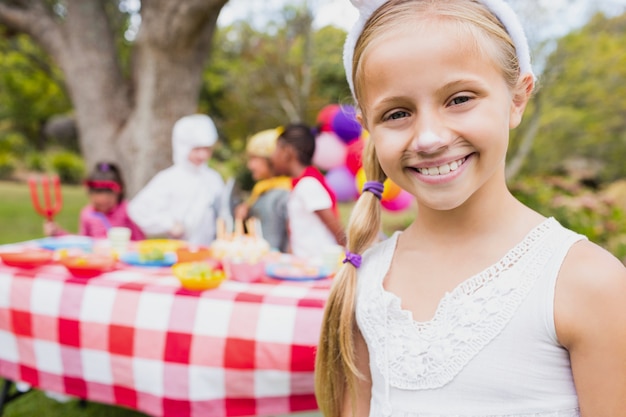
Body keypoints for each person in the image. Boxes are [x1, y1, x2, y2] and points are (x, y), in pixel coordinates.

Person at [314, 1, 626, 417]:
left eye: (459, 99)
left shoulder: (586, 283)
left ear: (517, 98)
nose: (428, 137)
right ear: (367, 126)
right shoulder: (366, 279)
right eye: (398, 113)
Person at [128, 114, 225, 246]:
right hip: (179, 252)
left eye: (206, 149)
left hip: (210, 251)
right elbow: (138, 209)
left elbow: (223, 212)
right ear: (183, 148)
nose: (202, 155)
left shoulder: (213, 178)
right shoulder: (169, 179)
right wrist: (169, 225)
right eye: (196, 149)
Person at [271, 123, 346, 258]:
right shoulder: (301, 185)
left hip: (319, 268)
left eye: (276, 149)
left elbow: (337, 230)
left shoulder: (308, 185)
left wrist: (351, 256)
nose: (272, 156)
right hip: (307, 267)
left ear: (288, 152)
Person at [44, 162, 145, 240]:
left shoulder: (127, 210)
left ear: (118, 193)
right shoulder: (87, 214)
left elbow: (140, 241)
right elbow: (82, 242)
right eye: (98, 204)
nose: (103, 206)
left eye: (108, 203)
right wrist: (57, 233)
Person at [234, 127, 291, 252]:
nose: (250, 165)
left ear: (271, 159)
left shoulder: (285, 193)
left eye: (254, 159)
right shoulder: (262, 189)